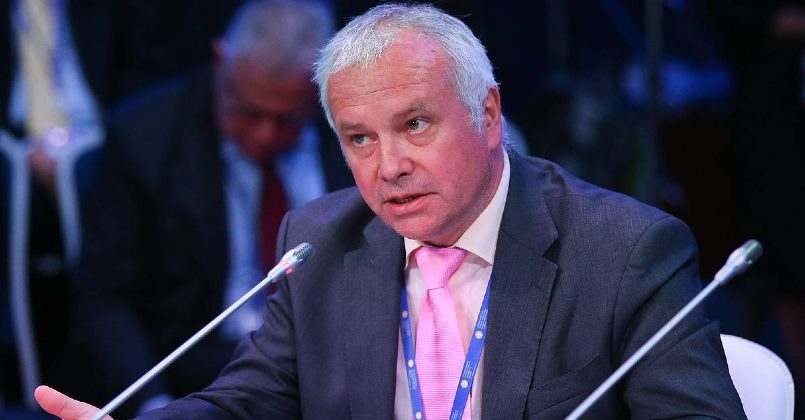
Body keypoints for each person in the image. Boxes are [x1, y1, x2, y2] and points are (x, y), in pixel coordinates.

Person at [35, 3, 745, 419]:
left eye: (415, 125)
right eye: (359, 139)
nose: (388, 166)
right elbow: (249, 400)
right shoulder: (319, 241)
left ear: (488, 115)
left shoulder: (626, 250)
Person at [58, 0, 351, 417]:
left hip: (337, 367)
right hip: (203, 378)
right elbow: (105, 300)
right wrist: (155, 406)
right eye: (247, 111)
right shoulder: (144, 140)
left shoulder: (356, 137)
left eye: (287, 119)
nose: (264, 135)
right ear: (220, 62)